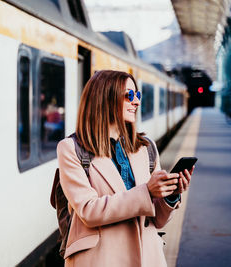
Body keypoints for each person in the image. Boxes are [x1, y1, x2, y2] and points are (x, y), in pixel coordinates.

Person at [57, 70, 194, 267]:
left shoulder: (146, 147)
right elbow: (88, 211)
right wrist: (147, 191)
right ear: (105, 97)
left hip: (147, 258)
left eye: (137, 95)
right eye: (129, 95)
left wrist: (170, 195)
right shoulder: (71, 149)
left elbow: (158, 219)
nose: (136, 102)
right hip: (101, 260)